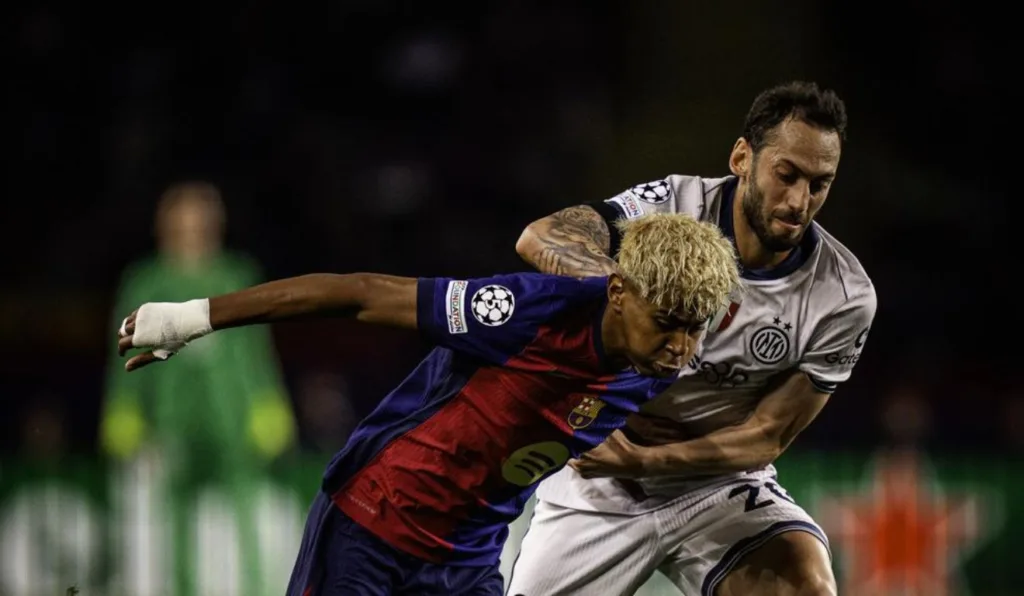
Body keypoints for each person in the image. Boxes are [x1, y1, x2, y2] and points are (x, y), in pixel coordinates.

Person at [114, 213, 740, 596]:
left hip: (464, 562)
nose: (680, 349)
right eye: (668, 324)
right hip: (371, 523)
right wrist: (193, 316)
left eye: (696, 328)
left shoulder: (656, 363)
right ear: (619, 292)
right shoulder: (530, 311)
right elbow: (357, 294)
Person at [507, 81, 876, 596]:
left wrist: (646, 461)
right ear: (742, 157)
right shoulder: (671, 206)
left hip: (717, 483)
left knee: (804, 585)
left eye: (820, 184)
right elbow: (539, 237)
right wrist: (631, 294)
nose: (799, 202)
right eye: (786, 175)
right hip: (601, 473)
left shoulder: (844, 295)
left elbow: (768, 436)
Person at [100, 181, 294, 596]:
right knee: (174, 517)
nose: (192, 229)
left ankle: (257, 588)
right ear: (164, 225)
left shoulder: (236, 275)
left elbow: (256, 349)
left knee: (247, 512)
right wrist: (124, 407)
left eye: (200, 220)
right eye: (182, 220)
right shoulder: (145, 282)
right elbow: (122, 349)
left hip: (234, 416)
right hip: (171, 418)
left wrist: (269, 402)